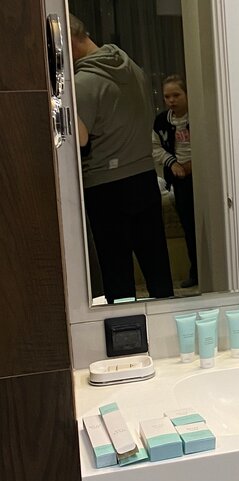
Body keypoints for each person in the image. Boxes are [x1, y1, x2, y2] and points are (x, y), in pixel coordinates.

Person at [70, 15, 174, 303]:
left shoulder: (82, 83)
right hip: (144, 177)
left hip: (106, 185)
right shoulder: (132, 67)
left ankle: (126, 331)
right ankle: (169, 323)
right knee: (157, 265)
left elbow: (79, 139)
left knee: (117, 275)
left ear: (69, 42)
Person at [153, 75, 198, 289]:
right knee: (188, 226)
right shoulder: (162, 121)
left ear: (187, 94)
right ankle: (195, 271)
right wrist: (172, 163)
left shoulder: (198, 116)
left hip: (202, 175)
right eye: (167, 96)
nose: (171, 100)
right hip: (179, 178)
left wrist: (194, 164)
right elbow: (155, 147)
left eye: (176, 95)